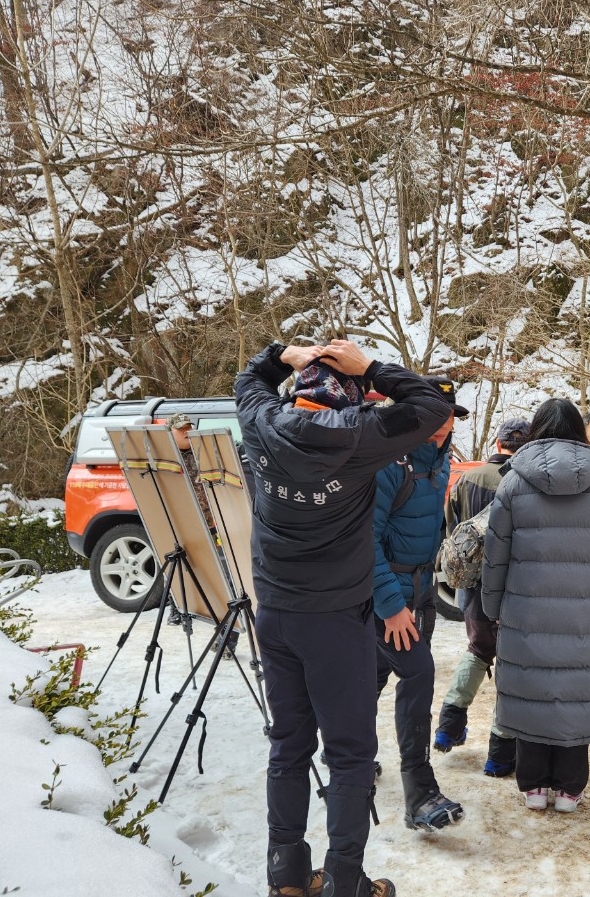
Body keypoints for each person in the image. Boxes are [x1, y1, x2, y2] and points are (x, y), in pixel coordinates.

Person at [236, 338, 452, 897]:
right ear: (352, 395)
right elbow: (432, 407)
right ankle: (345, 879)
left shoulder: (261, 423)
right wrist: (373, 366)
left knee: (289, 745)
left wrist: (284, 354)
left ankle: (286, 875)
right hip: (334, 620)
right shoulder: (359, 435)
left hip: (275, 614)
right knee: (351, 755)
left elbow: (249, 381)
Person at [481, 398, 590, 813]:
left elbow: (496, 552)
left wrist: (492, 606)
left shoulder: (514, 481)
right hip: (587, 608)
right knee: (575, 691)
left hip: (526, 610)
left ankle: (533, 786)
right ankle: (569, 788)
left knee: (532, 691)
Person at [371, 378, 470, 832]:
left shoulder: (441, 459)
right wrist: (391, 605)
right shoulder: (388, 462)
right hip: (385, 594)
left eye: (449, 414)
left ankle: (348, 756)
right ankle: (420, 793)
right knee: (418, 673)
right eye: (435, 413)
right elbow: (365, 541)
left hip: (421, 589)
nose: (444, 422)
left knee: (372, 676)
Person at [433, 417, 531, 779]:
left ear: (498, 442)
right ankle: (500, 755)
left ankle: (448, 727)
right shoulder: (525, 481)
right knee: (512, 667)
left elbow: (452, 530)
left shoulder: (468, 478)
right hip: (513, 591)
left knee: (477, 651)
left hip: (472, 589)